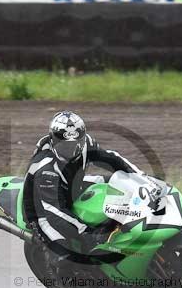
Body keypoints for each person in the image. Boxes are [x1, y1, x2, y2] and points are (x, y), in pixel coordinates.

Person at [23, 110, 143, 258]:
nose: (71, 151)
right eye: (65, 146)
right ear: (53, 140)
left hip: (72, 187)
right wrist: (85, 231)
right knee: (67, 255)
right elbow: (55, 212)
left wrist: (139, 176)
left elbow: (112, 158)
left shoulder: (87, 144)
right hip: (42, 211)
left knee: (116, 183)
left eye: (76, 144)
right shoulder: (45, 169)